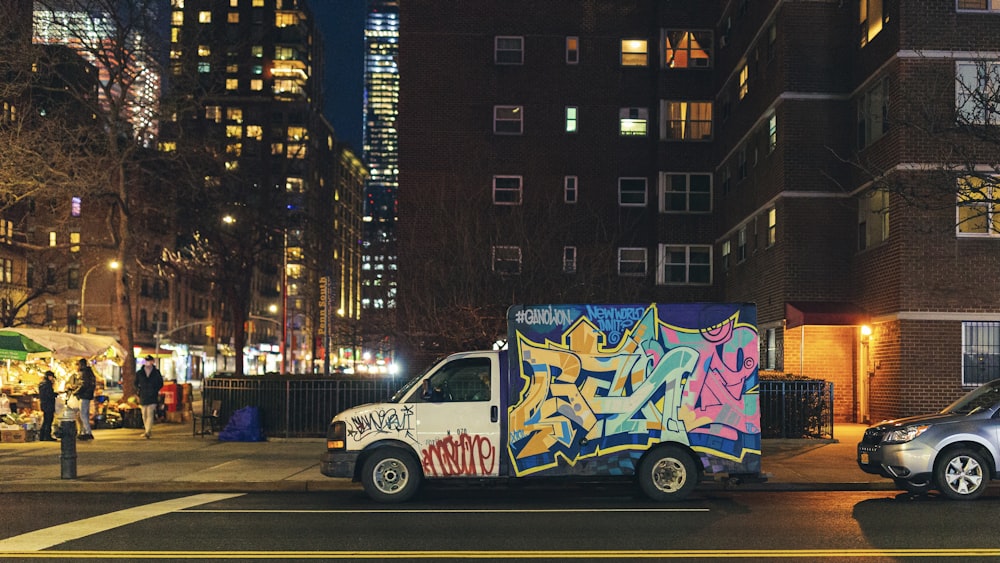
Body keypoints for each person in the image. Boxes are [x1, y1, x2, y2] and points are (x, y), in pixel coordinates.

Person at [135, 355, 163, 439]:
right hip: (143, 395)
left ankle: (148, 431)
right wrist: (139, 390)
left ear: (153, 362)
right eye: (147, 361)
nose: (148, 362)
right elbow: (135, 383)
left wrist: (155, 389)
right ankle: (146, 430)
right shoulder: (140, 372)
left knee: (150, 413)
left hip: (152, 396)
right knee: (144, 414)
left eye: (150, 361)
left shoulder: (156, 372)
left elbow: (160, 383)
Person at [74, 358, 96, 440]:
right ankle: (85, 431)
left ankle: (87, 432)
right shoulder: (89, 372)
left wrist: (76, 392)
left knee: (83, 414)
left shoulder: (84, 373)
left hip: (84, 396)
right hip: (87, 395)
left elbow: (83, 385)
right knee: (84, 414)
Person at [39, 371, 57, 441]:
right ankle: (47, 436)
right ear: (49, 376)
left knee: (46, 420)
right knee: (49, 420)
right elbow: (49, 395)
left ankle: (42, 436)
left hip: (43, 404)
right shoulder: (47, 384)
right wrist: (55, 394)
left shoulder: (42, 384)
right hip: (48, 404)